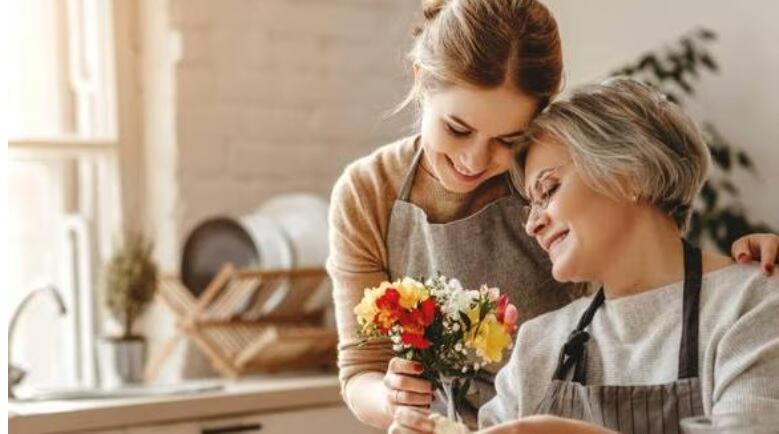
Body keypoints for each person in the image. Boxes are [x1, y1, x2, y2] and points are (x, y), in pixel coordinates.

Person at [326, 0, 779, 431]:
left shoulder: (746, 306)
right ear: (421, 79)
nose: (473, 160)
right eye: (457, 128)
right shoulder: (539, 345)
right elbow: (362, 367)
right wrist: (403, 406)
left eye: (508, 141)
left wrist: (745, 268)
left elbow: (650, 256)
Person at [472, 78, 779, 433]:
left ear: (630, 174)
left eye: (549, 189)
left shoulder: (753, 302)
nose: (532, 225)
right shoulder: (538, 345)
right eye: (531, 206)